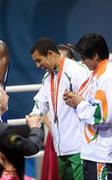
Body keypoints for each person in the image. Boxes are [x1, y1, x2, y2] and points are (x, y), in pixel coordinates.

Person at [29, 37, 90, 180]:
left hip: (80, 146)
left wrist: (78, 102)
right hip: (61, 147)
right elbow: (41, 101)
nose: (38, 65)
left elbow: (91, 104)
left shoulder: (77, 71)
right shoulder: (47, 77)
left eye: (39, 60)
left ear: (50, 54)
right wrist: (35, 115)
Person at [63, 33, 112, 180]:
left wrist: (79, 103)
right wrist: (76, 102)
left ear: (96, 56)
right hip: (93, 151)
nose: (82, 62)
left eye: (84, 58)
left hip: (101, 154)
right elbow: (93, 105)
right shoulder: (96, 74)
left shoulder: (107, 77)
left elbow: (102, 117)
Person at [0, 83, 43, 180]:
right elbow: (31, 147)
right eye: (5, 94)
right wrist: (35, 128)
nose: (8, 96)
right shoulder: (2, 130)